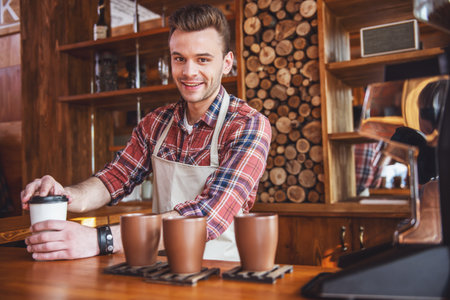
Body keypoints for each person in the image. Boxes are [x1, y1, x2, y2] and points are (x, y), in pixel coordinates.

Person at [21, 4, 271, 262]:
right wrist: (64, 195)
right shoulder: (156, 123)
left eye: (203, 59)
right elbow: (114, 179)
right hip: (158, 271)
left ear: (227, 63)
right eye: (179, 58)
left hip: (220, 276)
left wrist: (101, 239)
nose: (188, 72)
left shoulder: (249, 125)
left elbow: (210, 215)